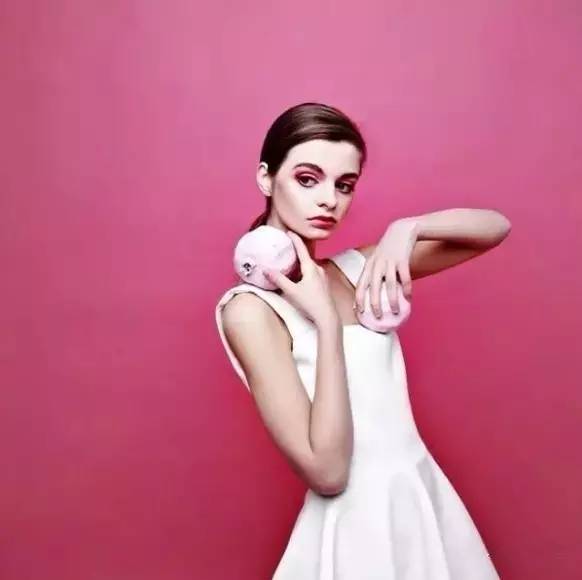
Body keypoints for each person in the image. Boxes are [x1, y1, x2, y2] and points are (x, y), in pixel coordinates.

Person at [215, 102, 508, 579]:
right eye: (307, 179)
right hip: (355, 530)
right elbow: (328, 472)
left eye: (344, 184)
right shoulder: (250, 311)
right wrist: (327, 323)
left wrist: (408, 228)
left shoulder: (359, 271)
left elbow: (495, 227)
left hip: (418, 501)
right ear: (266, 178)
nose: (329, 200)